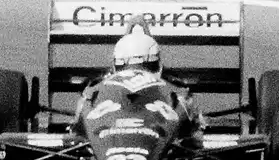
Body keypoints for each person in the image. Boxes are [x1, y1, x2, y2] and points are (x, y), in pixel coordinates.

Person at [69, 16, 204, 136]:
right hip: (112, 130)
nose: (136, 71)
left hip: (156, 129)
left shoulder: (175, 89)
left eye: (147, 65)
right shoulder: (97, 88)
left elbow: (195, 128)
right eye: (126, 66)